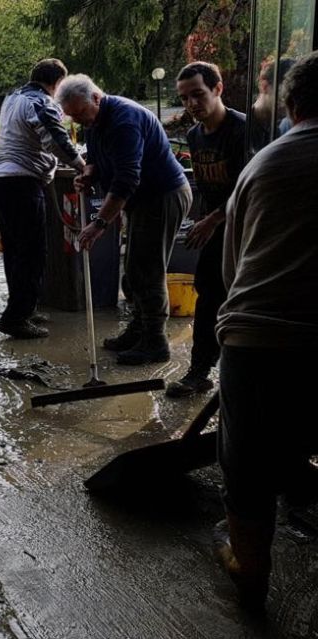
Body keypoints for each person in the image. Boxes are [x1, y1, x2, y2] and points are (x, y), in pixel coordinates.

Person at [213, 51, 318, 612]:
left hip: (256, 339)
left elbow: (234, 272)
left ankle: (250, 568)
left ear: (292, 106)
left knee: (247, 466)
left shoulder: (263, 164)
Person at [58, 74, 192, 365]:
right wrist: (89, 174)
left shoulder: (124, 120)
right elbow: (96, 159)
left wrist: (99, 224)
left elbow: (127, 179)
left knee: (147, 271)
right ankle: (139, 329)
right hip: (142, 199)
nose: (77, 121)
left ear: (96, 98)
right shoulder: (94, 122)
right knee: (133, 271)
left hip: (162, 195)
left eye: (80, 113)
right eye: (72, 117)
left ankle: (155, 343)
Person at [0, 58, 86, 339]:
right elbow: (56, 140)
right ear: (57, 83)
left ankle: (23, 308)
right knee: (32, 253)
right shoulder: (40, 102)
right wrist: (82, 165)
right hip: (21, 182)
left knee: (15, 252)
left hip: (0, 179)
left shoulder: (13, 98)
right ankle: (16, 317)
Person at [166, 62, 247, 398]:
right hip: (215, 229)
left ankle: (239, 374)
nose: (191, 104)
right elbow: (207, 186)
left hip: (245, 228)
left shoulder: (243, 130)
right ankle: (199, 372)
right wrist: (204, 220)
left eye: (198, 94)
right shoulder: (195, 135)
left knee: (240, 300)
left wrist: (212, 220)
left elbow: (247, 189)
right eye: (185, 98)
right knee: (207, 295)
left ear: (218, 89)